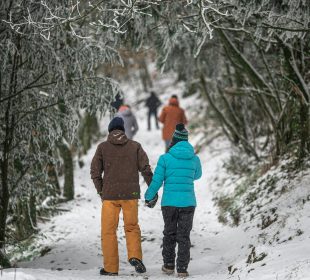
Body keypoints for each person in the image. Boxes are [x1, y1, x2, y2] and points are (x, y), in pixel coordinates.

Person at [90, 117, 153, 276]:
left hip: (110, 196)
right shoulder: (135, 146)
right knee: (132, 227)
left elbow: (95, 172)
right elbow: (145, 168)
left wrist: (101, 191)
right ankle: (135, 256)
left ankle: (111, 268)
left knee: (108, 231)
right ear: (123, 130)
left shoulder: (103, 147)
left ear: (110, 131)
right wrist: (152, 189)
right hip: (130, 195)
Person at [144, 123, 202, 278]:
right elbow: (197, 175)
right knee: (184, 236)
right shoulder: (194, 158)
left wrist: (148, 196)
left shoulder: (165, 158)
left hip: (169, 203)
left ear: (174, 140)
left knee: (169, 233)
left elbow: (157, 181)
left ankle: (168, 265)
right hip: (188, 202)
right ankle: (182, 269)